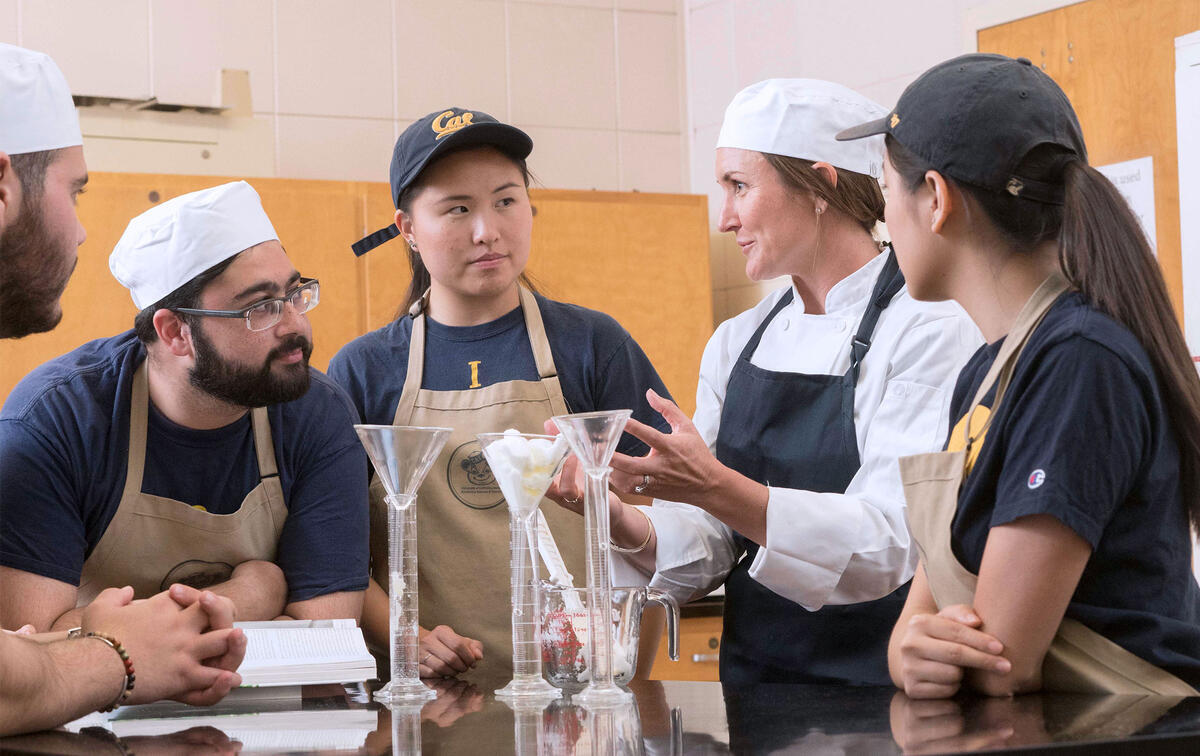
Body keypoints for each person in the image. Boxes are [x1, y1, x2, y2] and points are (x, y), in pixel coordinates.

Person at [553, 79, 981, 686]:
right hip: (756, 687)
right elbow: (712, 539)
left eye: (740, 186)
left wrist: (716, 485)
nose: (724, 218)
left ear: (820, 185)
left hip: (889, 685)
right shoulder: (736, 341)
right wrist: (619, 519)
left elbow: (893, 542)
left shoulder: (928, 327)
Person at [837, 53, 1200, 697]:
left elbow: (1002, 660)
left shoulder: (1080, 362)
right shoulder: (985, 374)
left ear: (938, 201)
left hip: (1123, 737)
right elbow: (914, 631)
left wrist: (925, 647)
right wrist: (907, 653)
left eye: (887, 191)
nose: (882, 219)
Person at [329, 107, 673, 679]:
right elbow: (331, 548)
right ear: (407, 228)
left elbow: (669, 513)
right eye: (457, 209)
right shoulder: (366, 369)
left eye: (506, 201)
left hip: (579, 689)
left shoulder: (592, 345)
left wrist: (625, 667)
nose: (486, 230)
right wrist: (403, 635)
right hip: (434, 694)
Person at [0, 43, 246, 736]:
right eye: (73, 191)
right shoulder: (56, 413)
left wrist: (85, 639)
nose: (80, 231)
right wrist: (117, 655)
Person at [0, 180, 369, 633]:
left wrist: (105, 626)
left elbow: (325, 634)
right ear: (175, 332)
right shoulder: (57, 420)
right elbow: (34, 646)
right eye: (261, 308)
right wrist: (251, 594)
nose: (297, 325)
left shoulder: (318, 412)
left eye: (295, 294)